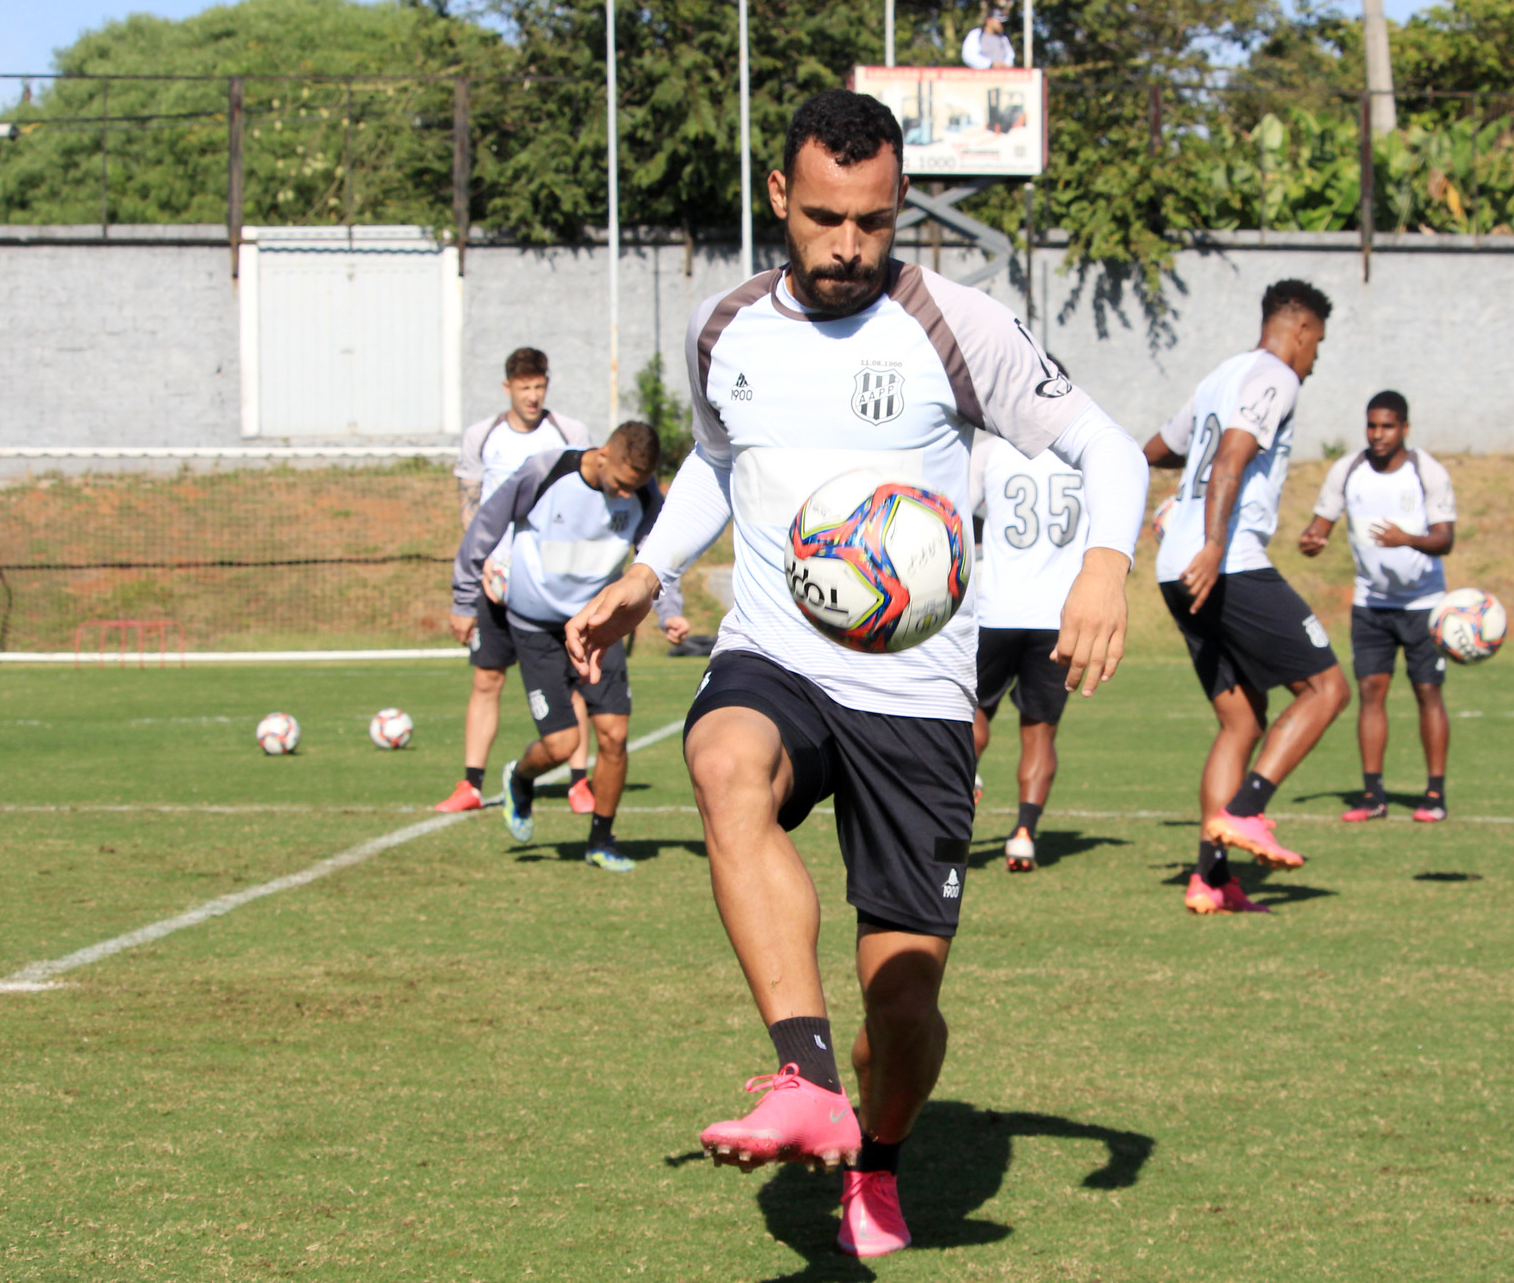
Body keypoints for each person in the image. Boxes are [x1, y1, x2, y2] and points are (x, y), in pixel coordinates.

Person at [565, 89, 1144, 1258]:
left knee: (905, 1001)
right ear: (779, 197)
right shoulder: (726, 326)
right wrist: (645, 571)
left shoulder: (955, 324)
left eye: (874, 223)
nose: (847, 247)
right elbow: (719, 466)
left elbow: (1107, 449)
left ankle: (874, 1157)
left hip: (919, 694)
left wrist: (1102, 570)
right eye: (826, 218)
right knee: (722, 759)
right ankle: (802, 1080)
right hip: (775, 650)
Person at [1142, 280, 1351, 916]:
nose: (1314, 359)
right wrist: (1210, 541)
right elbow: (1231, 458)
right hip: (1224, 563)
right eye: (1317, 344)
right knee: (1326, 689)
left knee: (1241, 721)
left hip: (1175, 568)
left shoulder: (1221, 376)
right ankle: (1248, 811)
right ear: (1303, 330)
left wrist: (1166, 514)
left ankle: (1210, 879)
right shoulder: (1275, 375)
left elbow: (1157, 450)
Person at [441, 422, 675, 873]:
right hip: (536, 628)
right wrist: (463, 598)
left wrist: (670, 612)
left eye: (638, 487)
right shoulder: (545, 471)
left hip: (597, 626)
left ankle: (601, 840)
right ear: (603, 454)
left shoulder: (645, 495)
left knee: (615, 735)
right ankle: (521, 779)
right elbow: (485, 528)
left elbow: (657, 555)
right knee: (563, 742)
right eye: (623, 484)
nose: (628, 496)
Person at [446, 349, 605, 817]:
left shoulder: (570, 434)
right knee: (487, 677)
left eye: (539, 387)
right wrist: (483, 567)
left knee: (571, 681)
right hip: (496, 580)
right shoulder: (483, 436)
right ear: (508, 388)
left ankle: (579, 782)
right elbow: (471, 507)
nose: (533, 396)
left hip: (553, 584)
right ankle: (471, 783)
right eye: (524, 388)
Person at [1298, 391, 1458, 823]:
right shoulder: (1347, 470)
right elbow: (1320, 526)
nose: (1378, 434)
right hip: (1371, 603)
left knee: (1428, 693)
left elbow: (1445, 538)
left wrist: (1406, 538)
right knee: (1371, 693)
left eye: (1387, 426)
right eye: (1372, 426)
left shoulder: (1427, 472)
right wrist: (1313, 540)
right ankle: (1373, 796)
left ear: (1405, 427)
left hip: (1424, 603)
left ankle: (1434, 794)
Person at [966, 430, 1090, 872]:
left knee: (972, 711)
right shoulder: (1087, 454)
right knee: (1040, 731)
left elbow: (957, 512)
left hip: (996, 609)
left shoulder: (994, 449)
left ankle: (965, 775)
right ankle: (1023, 836)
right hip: (1059, 617)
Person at [959, 2, 1016, 70]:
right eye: (998, 21)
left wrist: (1006, 65)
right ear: (989, 21)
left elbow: (1010, 56)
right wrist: (990, 64)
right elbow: (968, 55)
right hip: (981, 77)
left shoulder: (1003, 38)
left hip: (1002, 76)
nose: (1001, 24)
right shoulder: (976, 34)